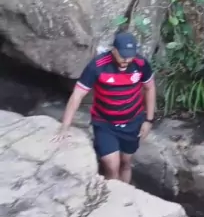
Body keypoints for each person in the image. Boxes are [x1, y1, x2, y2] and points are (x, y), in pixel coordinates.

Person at [53, 32, 155, 183]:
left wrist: (149, 120)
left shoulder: (140, 64)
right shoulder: (98, 66)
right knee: (112, 166)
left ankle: (126, 195)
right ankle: (110, 193)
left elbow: (150, 88)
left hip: (132, 122)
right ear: (114, 50)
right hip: (105, 123)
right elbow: (77, 95)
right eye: (122, 56)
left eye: (130, 56)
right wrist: (65, 127)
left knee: (126, 163)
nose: (126, 60)